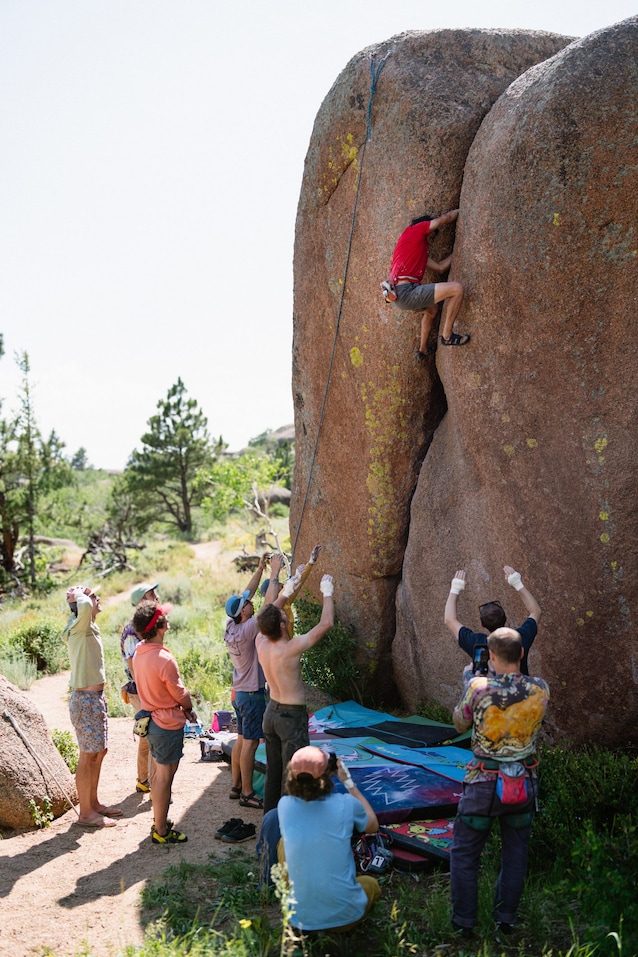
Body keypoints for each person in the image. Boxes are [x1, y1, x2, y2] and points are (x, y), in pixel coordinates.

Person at [449, 628, 550, 939]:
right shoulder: (541, 688)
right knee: (515, 853)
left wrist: (469, 683)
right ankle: (506, 919)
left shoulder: (478, 687)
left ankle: (464, 923)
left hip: (482, 781)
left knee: (465, 853)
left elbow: (459, 723)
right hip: (523, 782)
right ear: (521, 654)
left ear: (491, 656)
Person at [277, 745, 381, 933]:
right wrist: (348, 782)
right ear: (328, 775)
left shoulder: (284, 806)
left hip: (299, 919)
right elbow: (373, 825)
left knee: (283, 844)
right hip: (346, 918)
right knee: (371, 884)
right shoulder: (346, 804)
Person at [256, 574, 335, 814]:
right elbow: (326, 624)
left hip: (270, 713)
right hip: (291, 717)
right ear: (282, 625)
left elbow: (267, 613)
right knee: (294, 774)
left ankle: (271, 821)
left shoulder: (260, 640)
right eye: (283, 617)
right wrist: (328, 591)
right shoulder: (289, 649)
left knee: (274, 772)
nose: (285, 616)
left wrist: (286, 591)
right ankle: (291, 821)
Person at [132, 599, 197, 845]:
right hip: (166, 723)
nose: (168, 620)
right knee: (164, 777)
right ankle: (161, 830)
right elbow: (179, 694)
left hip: (150, 719)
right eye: (164, 617)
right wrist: (188, 707)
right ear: (160, 626)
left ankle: (159, 819)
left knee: (161, 773)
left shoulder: (140, 650)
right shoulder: (163, 659)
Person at [63, 585, 122, 828]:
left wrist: (80, 597)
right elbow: (84, 606)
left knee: (98, 753)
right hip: (86, 701)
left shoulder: (85, 625)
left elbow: (86, 608)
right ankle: (85, 813)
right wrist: (78, 595)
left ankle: (93, 803)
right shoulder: (79, 624)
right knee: (88, 756)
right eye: (93, 596)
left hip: (93, 700)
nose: (97, 598)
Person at [224, 553, 273, 811]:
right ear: (243, 612)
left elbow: (249, 592)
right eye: (246, 604)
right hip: (253, 694)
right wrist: (274, 575)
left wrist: (260, 568)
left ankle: (235, 786)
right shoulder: (249, 628)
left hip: (238, 693)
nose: (250, 603)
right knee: (251, 743)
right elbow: (270, 603)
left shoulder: (231, 627)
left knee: (242, 740)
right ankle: (246, 792)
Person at [384, 209, 467, 358]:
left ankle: (422, 350)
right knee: (457, 289)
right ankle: (447, 336)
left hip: (400, 295)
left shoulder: (413, 249)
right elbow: (445, 218)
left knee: (432, 310)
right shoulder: (415, 230)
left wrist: (459, 251)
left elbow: (441, 267)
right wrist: (464, 209)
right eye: (430, 235)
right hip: (406, 292)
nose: (429, 240)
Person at [444, 565, 542, 677]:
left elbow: (449, 620)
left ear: (482, 624)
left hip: (489, 693)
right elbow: (536, 612)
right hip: (522, 692)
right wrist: (517, 583)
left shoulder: (478, 643)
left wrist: (455, 589)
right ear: (505, 618)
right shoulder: (520, 639)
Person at [120, 581, 159, 794]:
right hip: (142, 691)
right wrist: (149, 693)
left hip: (145, 690)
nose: (157, 597)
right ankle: (153, 784)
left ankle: (144, 780)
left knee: (146, 736)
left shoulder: (142, 628)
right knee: (152, 736)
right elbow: (134, 667)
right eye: (153, 594)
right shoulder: (132, 631)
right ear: (142, 601)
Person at [260, 544, 322, 640]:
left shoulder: (282, 600)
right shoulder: (269, 614)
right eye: (279, 585)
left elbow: (297, 583)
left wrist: (310, 562)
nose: (282, 585)